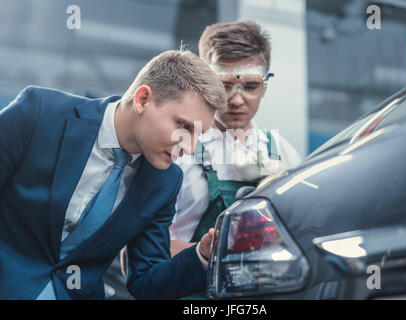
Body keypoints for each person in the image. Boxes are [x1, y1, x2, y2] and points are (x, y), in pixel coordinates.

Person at [0, 49, 226, 300]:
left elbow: (147, 284)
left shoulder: (165, 182)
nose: (190, 147)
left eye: (197, 134)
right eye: (183, 126)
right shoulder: (39, 113)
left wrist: (202, 256)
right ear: (142, 99)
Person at [169, 21, 302, 266]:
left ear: (265, 85)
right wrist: (218, 253)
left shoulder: (285, 154)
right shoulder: (177, 151)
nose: (237, 100)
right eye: (225, 85)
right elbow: (140, 255)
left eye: (251, 86)